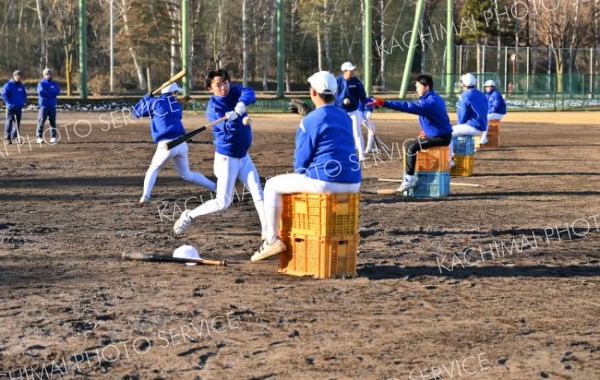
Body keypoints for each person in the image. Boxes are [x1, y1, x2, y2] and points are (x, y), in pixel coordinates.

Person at [251, 71, 361, 262]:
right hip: (354, 181)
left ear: (313, 92)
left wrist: (301, 177)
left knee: (272, 185)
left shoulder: (310, 120)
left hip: (326, 181)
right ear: (334, 94)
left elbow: (301, 159)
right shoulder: (345, 117)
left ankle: (271, 240)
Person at [173, 68, 267, 239]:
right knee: (223, 202)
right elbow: (229, 132)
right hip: (227, 158)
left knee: (257, 191)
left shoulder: (234, 91)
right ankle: (188, 215)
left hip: (243, 155)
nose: (223, 87)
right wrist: (234, 120)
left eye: (225, 83)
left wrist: (240, 106)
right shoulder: (213, 109)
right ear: (210, 89)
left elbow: (249, 92)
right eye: (218, 85)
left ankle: (268, 233)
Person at [132, 82, 216, 204]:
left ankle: (145, 196)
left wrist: (146, 98)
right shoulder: (175, 104)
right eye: (176, 92)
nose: (177, 95)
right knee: (186, 174)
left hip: (167, 145)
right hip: (181, 143)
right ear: (172, 93)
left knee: (153, 169)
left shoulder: (155, 102)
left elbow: (136, 112)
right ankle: (215, 187)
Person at [368, 74, 452, 193]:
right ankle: (414, 176)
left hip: (440, 137)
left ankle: (409, 179)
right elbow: (437, 117)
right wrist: (427, 131)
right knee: (414, 145)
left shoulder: (430, 102)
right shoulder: (434, 97)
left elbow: (407, 106)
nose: (417, 89)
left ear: (426, 87)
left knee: (410, 147)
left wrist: (383, 103)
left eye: (418, 87)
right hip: (440, 134)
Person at [335, 62, 373, 161]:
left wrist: (366, 107)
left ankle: (361, 154)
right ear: (344, 71)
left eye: (352, 70)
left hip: (353, 111)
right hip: (340, 112)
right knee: (339, 132)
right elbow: (331, 95)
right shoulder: (337, 81)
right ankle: (340, 155)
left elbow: (362, 95)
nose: (352, 72)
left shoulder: (356, 81)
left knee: (357, 132)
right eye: (350, 70)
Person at [449, 73, 488, 162]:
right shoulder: (481, 94)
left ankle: (449, 160)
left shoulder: (465, 95)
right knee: (456, 132)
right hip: (482, 126)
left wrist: (459, 125)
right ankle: (461, 153)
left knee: (448, 133)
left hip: (473, 126)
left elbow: (462, 117)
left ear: (463, 84)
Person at [1, 70, 27, 144]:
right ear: (14, 76)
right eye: (17, 75)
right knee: (9, 122)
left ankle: (14, 137)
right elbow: (3, 95)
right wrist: (9, 103)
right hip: (10, 107)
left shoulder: (21, 86)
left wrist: (23, 102)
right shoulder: (8, 85)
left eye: (19, 76)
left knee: (17, 123)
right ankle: (7, 138)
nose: (18, 77)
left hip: (18, 107)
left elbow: (24, 95)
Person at [36, 68, 60, 144]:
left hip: (52, 105)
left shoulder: (54, 84)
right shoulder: (41, 83)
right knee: (41, 121)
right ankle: (39, 137)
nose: (48, 75)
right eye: (46, 74)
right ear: (44, 75)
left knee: (52, 121)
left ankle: (53, 137)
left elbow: (57, 91)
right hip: (44, 106)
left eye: (49, 74)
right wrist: (51, 93)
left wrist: (48, 92)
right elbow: (41, 92)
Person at [480, 79, 506, 145]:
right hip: (491, 113)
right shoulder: (487, 95)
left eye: (489, 86)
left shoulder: (496, 94)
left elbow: (496, 107)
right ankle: (480, 136)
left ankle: (484, 137)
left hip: (498, 113)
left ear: (493, 87)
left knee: (486, 118)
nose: (487, 88)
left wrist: (487, 113)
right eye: (486, 86)